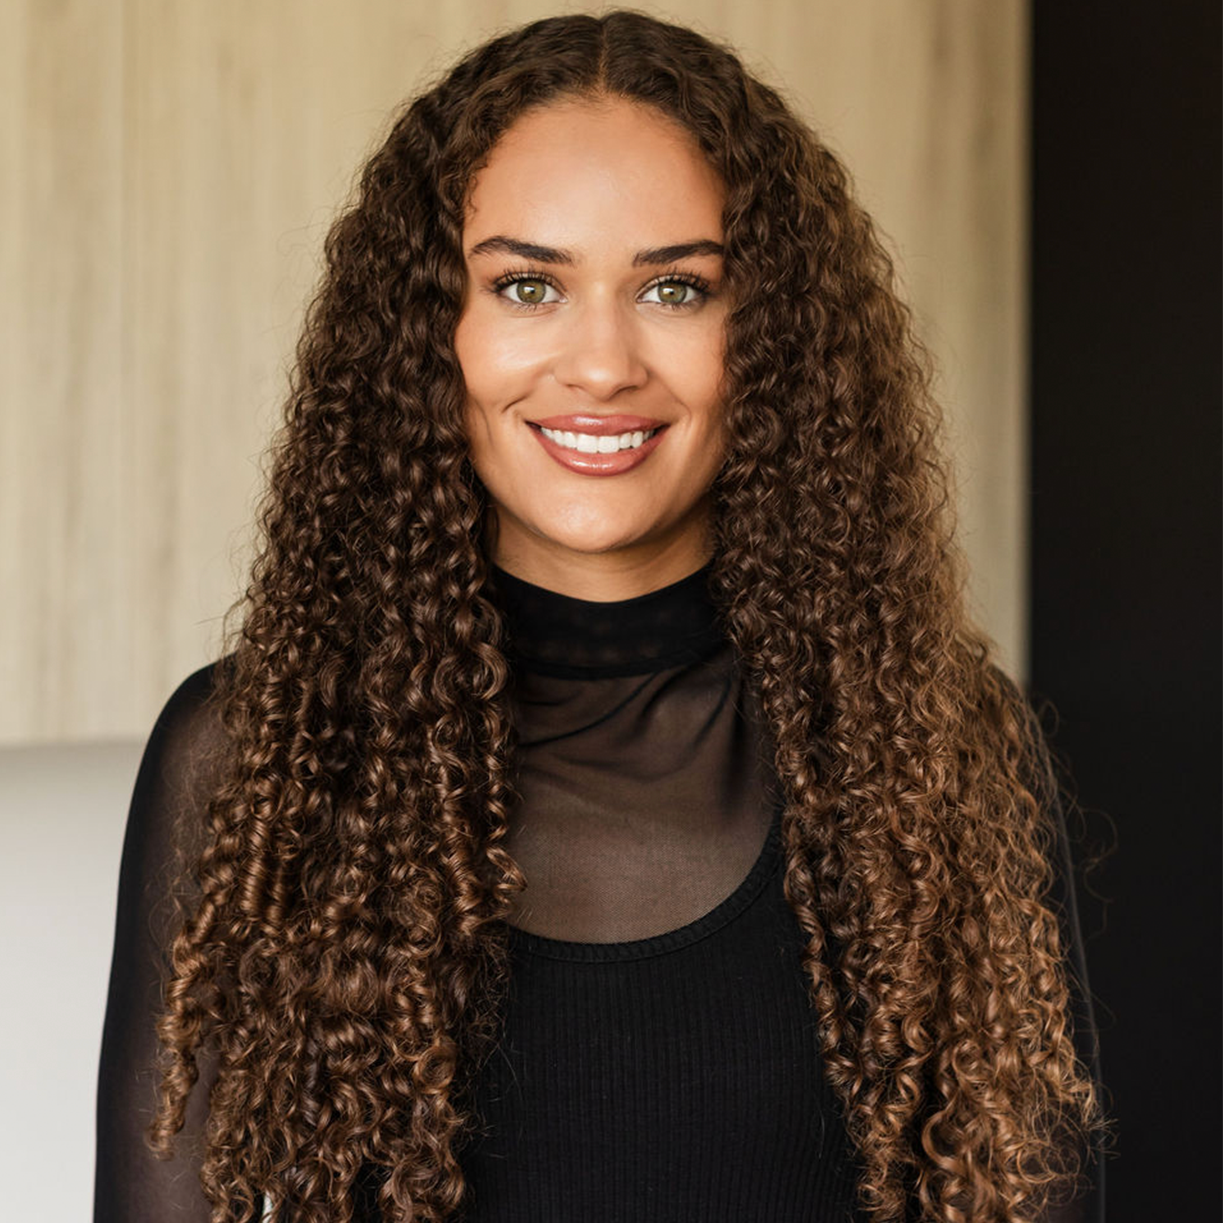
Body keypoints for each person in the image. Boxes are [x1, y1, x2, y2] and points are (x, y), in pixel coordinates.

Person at [94, 10, 1107, 1222]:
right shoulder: (258, 754)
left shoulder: (930, 752)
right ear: (431, 335)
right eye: (527, 285)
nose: (600, 362)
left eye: (674, 288)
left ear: (768, 343)